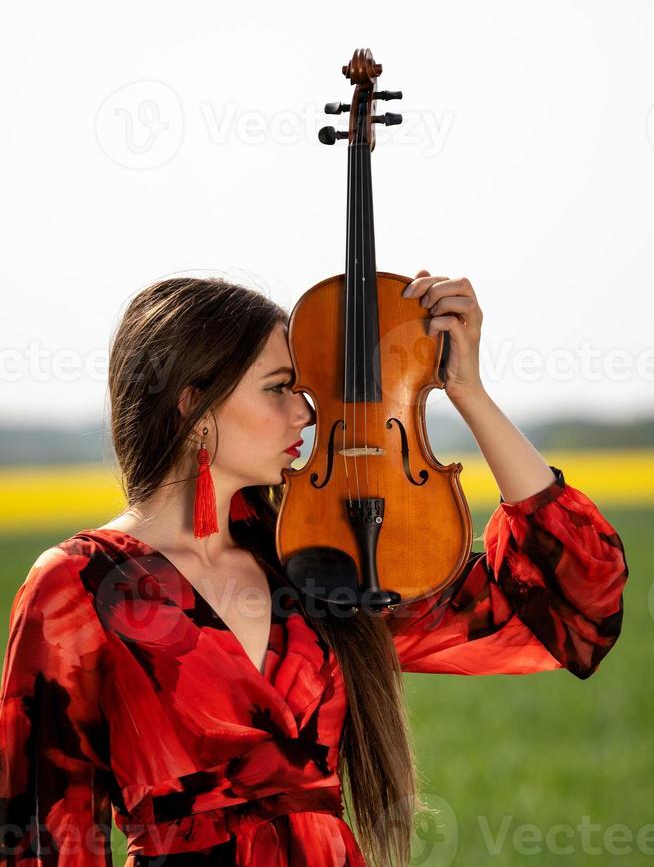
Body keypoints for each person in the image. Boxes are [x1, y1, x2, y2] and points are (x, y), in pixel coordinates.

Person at [0, 272, 628, 866]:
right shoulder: (79, 585)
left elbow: (573, 610)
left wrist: (467, 392)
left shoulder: (318, 563)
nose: (306, 412)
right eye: (278, 388)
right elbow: (41, 836)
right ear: (195, 405)